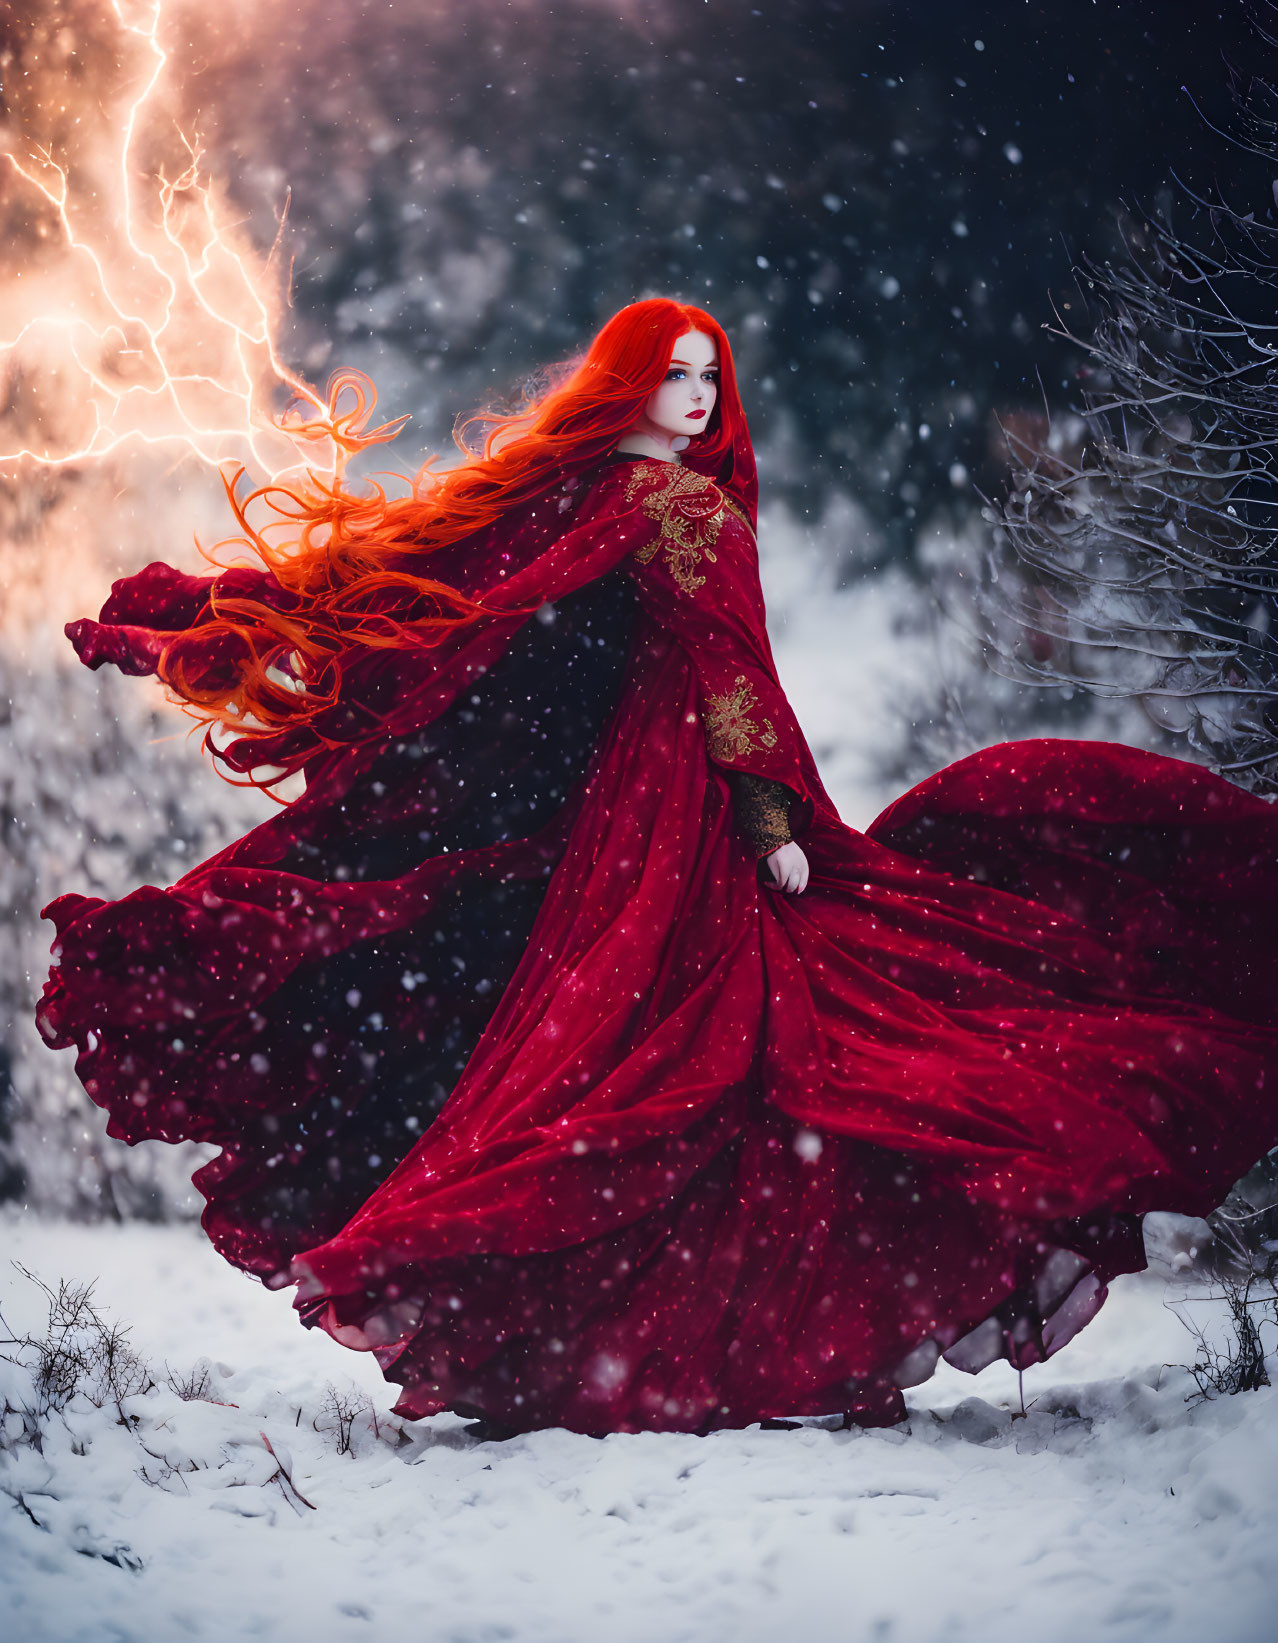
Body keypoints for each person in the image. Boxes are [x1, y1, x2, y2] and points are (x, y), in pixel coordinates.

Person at [38, 298, 1278, 1437]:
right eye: (671, 374)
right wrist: (772, 827)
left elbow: (401, 598)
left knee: (670, 1061)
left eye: (710, 375)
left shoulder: (570, 498)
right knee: (759, 1047)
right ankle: (752, 1336)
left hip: (609, 830)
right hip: (663, 825)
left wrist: (213, 615)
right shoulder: (680, 507)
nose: (696, 395)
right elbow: (732, 677)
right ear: (625, 384)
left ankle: (687, 1331)